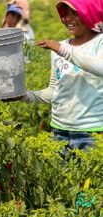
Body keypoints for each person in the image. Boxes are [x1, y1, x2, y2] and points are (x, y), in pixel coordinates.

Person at [18, 0, 103, 151]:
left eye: (75, 13)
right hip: (59, 131)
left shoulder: (99, 42)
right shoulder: (59, 48)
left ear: (90, 13)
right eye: (66, 13)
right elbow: (53, 92)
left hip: (92, 133)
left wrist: (62, 50)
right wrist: (24, 96)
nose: (68, 18)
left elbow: (100, 68)